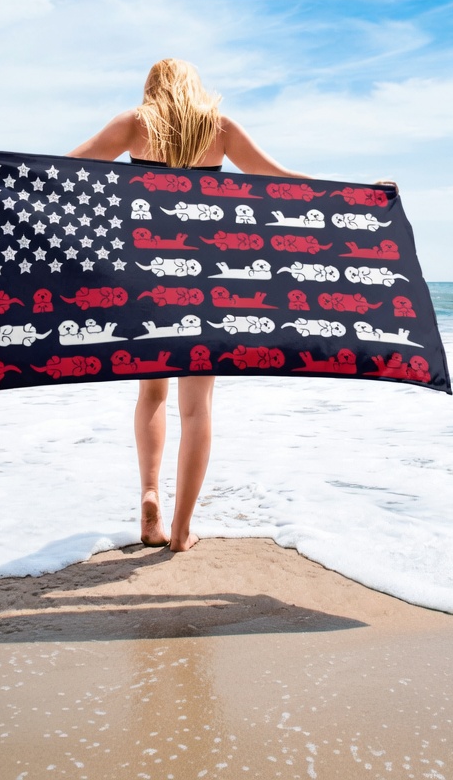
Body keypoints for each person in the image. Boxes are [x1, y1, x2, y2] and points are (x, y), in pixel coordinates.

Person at [67, 58, 310, 552]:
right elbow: (280, 179)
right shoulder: (218, 127)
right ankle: (180, 532)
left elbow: (64, 169)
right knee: (196, 409)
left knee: (151, 395)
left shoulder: (134, 124)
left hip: (142, 277)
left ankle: (150, 496)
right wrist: (360, 195)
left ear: (152, 87)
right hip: (204, 278)